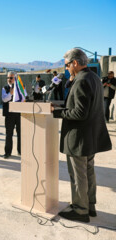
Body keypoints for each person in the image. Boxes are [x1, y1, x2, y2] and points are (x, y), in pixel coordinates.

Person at [52, 48, 112, 223]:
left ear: (75, 63)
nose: (67, 69)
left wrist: (57, 112)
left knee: (78, 175)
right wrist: (71, 82)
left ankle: (80, 210)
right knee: (88, 172)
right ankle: (90, 206)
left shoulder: (81, 81)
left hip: (79, 138)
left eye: (68, 65)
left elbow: (79, 113)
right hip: (91, 136)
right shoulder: (93, 77)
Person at [1, 71, 21, 159]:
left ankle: (21, 151)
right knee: (9, 134)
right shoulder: (4, 88)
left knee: (20, 134)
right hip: (9, 115)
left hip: (19, 114)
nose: (9, 79)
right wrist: (11, 93)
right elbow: (4, 99)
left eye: (11, 78)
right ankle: (8, 152)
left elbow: (24, 97)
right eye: (8, 78)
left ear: (15, 79)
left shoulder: (20, 88)